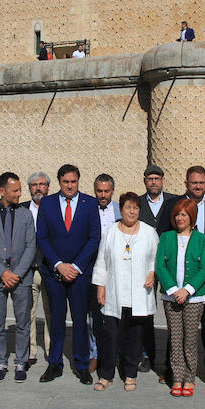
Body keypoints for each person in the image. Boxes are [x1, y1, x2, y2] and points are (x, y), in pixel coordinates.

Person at [36, 164, 101, 385]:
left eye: (73, 182)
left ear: (78, 181)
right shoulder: (47, 203)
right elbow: (42, 238)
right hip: (54, 273)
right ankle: (54, 364)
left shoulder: (90, 203)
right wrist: (58, 264)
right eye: (66, 182)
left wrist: (77, 266)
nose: (70, 186)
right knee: (55, 321)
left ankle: (82, 365)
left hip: (80, 274)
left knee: (80, 321)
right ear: (59, 182)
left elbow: (94, 237)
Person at [156, 165, 205, 384]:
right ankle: (172, 371)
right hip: (176, 282)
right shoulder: (172, 205)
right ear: (186, 183)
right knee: (176, 333)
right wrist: (172, 286)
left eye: (201, 183)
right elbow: (164, 239)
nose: (198, 186)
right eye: (194, 183)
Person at [91, 192, 158, 391]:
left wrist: (152, 273)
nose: (132, 211)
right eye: (128, 207)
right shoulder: (111, 232)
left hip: (138, 293)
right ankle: (106, 374)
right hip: (114, 292)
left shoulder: (148, 232)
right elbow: (102, 260)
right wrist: (100, 287)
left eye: (135, 208)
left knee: (134, 337)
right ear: (120, 209)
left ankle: (130, 374)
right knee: (110, 336)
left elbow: (155, 257)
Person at [0, 172, 36, 383]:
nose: (20, 194)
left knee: (22, 322)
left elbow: (31, 246)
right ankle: (0, 362)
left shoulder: (26, 215)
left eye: (20, 190)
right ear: (2, 191)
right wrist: (2, 272)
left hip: (21, 278)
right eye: (15, 190)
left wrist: (17, 273)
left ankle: (21, 361)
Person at [155, 197, 205, 397]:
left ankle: (189, 377)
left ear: (192, 217)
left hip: (193, 298)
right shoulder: (167, 237)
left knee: (190, 339)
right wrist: (172, 289)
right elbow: (160, 265)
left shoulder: (202, 239)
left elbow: (204, 268)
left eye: (184, 214)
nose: (180, 218)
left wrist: (187, 290)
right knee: (176, 338)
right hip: (171, 298)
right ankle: (177, 377)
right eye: (177, 214)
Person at [137, 164, 173, 373]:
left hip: (169, 264)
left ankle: (171, 359)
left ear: (162, 181)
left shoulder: (174, 201)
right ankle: (146, 355)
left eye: (157, 178)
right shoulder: (138, 203)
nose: (153, 182)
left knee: (173, 313)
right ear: (145, 181)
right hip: (146, 265)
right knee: (146, 312)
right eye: (150, 178)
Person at [22, 171, 52, 367]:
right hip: (29, 269)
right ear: (29, 188)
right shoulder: (21, 209)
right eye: (34, 185)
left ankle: (50, 350)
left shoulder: (55, 207)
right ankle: (31, 351)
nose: (38, 188)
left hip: (49, 268)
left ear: (48, 187)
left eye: (42, 184)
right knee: (28, 312)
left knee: (51, 312)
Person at [90, 174, 120, 371]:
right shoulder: (88, 208)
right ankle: (94, 353)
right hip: (93, 266)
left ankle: (115, 352)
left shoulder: (120, 210)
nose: (103, 194)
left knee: (116, 312)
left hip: (117, 268)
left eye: (106, 191)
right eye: (99, 191)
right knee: (93, 313)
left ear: (112, 191)